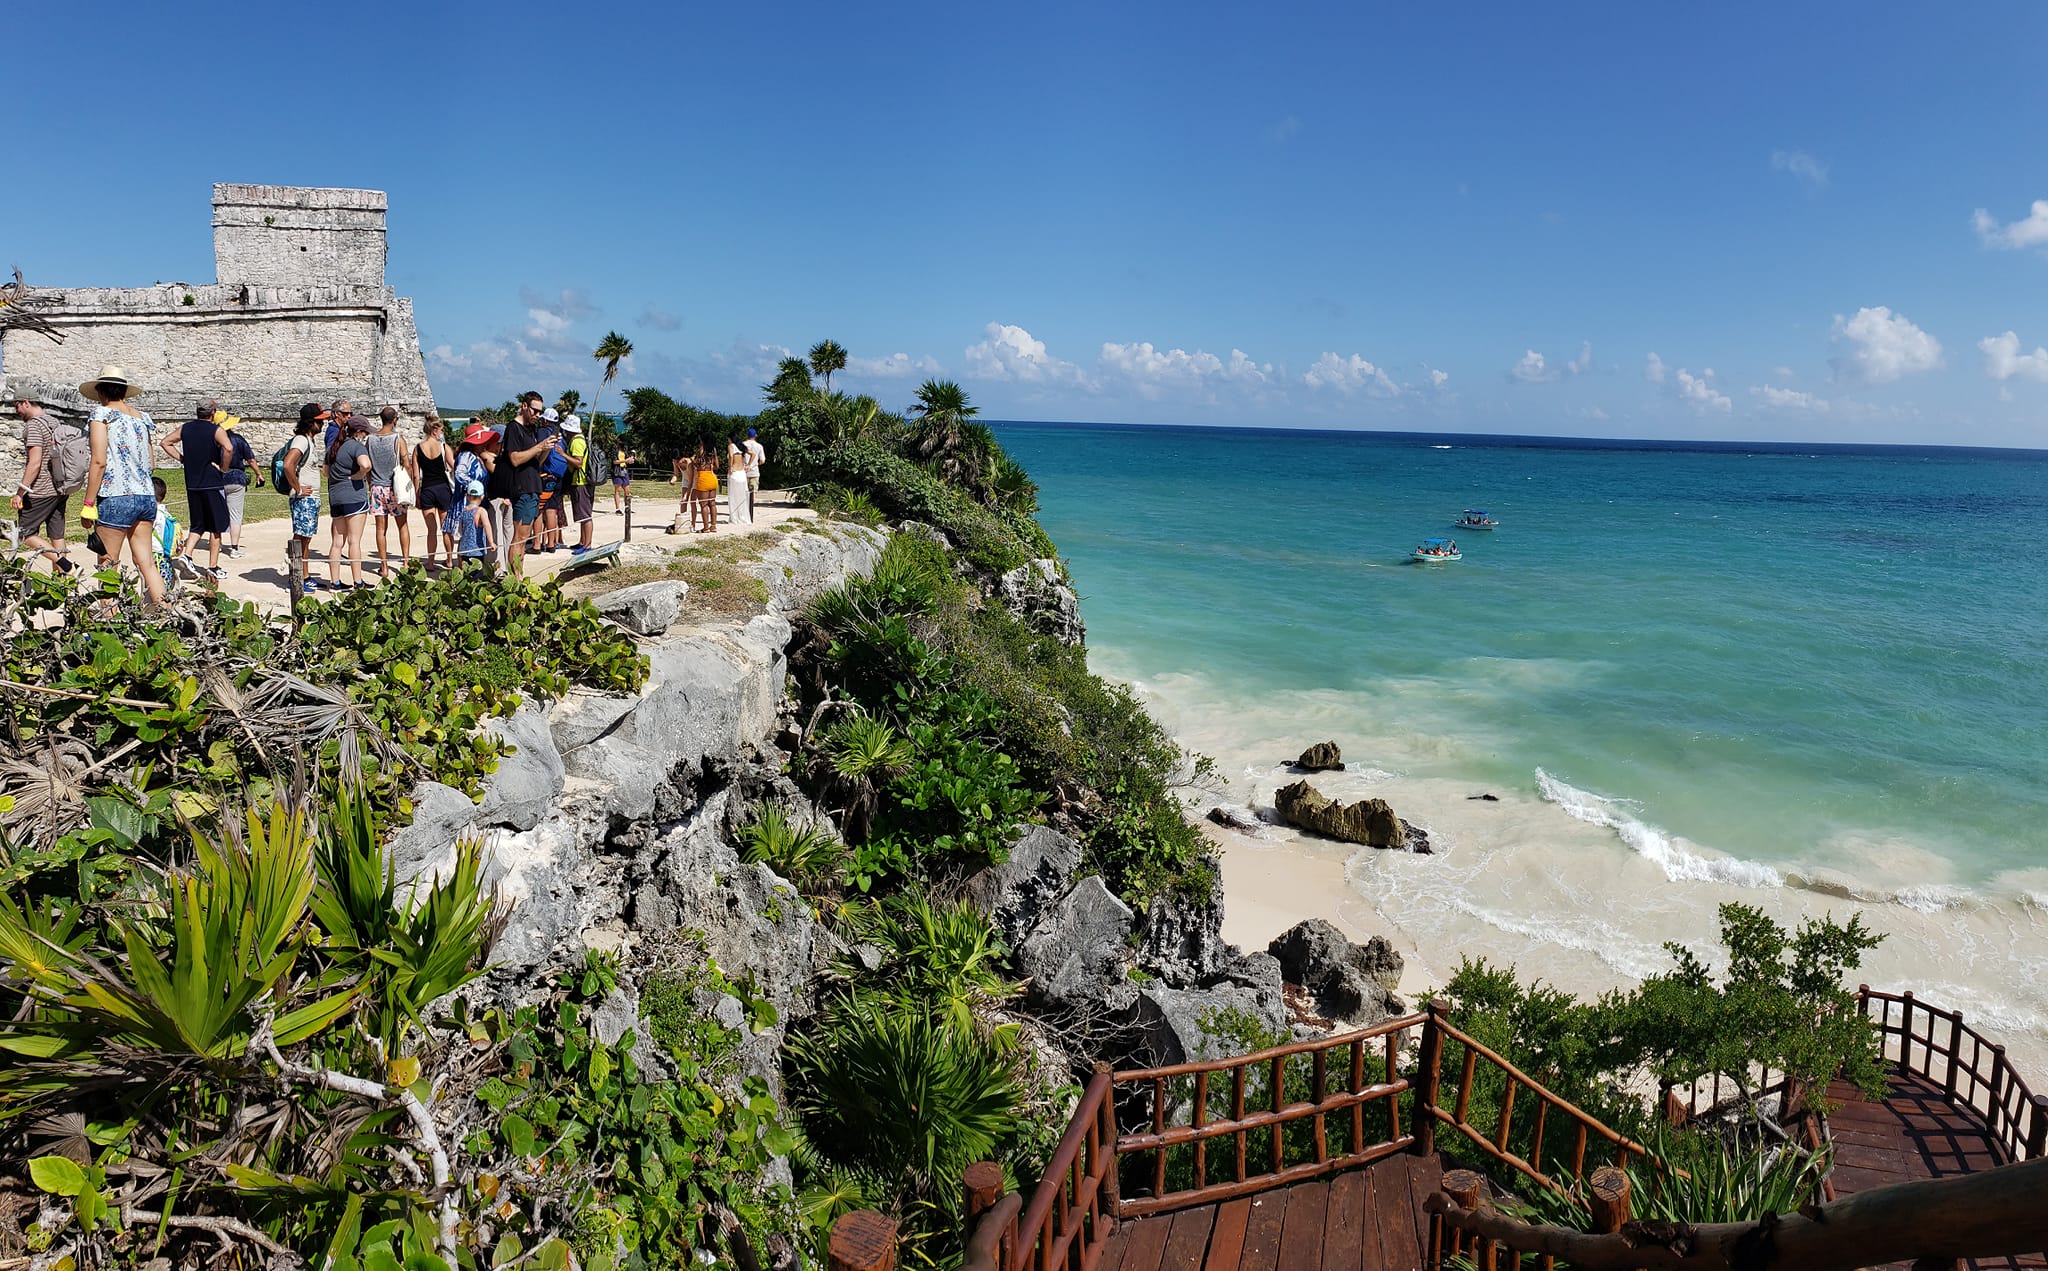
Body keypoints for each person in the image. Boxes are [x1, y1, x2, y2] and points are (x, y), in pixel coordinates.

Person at [75, 366, 167, 609]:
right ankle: (169, 613)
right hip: (145, 495)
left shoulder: (101, 415)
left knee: (108, 564)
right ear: (124, 391)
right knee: (146, 562)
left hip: (115, 495)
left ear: (100, 392)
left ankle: (111, 621)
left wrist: (88, 503)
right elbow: (151, 462)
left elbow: (99, 461)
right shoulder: (142, 418)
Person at [161, 400, 231, 580]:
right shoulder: (216, 430)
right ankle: (213, 567)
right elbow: (228, 448)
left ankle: (188, 554)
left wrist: (183, 459)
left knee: (198, 523)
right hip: (212, 482)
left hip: (192, 483)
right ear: (213, 413)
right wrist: (223, 467)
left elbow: (165, 442)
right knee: (216, 527)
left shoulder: (186, 428)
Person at [9, 399, 73, 575]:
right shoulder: (54, 422)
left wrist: (20, 492)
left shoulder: (34, 426)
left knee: (24, 534)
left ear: (26, 402)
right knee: (57, 537)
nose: (16, 411)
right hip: (59, 489)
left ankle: (66, 565)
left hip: (40, 491)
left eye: (17, 406)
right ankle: (63, 582)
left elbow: (35, 462)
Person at [494, 392, 552, 576]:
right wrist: (539, 447)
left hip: (533, 485)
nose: (537, 415)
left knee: (524, 537)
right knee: (519, 538)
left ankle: (518, 575)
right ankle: (515, 579)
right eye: (534, 410)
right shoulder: (513, 428)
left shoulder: (531, 429)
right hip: (522, 488)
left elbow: (536, 460)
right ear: (524, 406)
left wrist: (545, 449)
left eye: (539, 412)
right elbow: (515, 459)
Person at [283, 403, 327, 595]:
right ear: (311, 422)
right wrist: (298, 488)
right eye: (319, 421)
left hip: (310, 499)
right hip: (304, 499)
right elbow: (288, 465)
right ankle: (297, 577)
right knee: (301, 539)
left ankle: (305, 575)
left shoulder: (308, 440)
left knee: (306, 539)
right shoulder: (301, 441)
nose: (323, 424)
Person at [325, 415, 373, 589]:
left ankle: (335, 581)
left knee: (337, 542)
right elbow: (366, 465)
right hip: (354, 497)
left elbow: (325, 472)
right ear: (358, 432)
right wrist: (358, 476)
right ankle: (358, 581)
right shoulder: (356, 446)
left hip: (335, 497)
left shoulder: (333, 448)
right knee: (354, 541)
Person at [366, 405, 413, 578]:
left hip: (377, 487)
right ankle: (406, 562)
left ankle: (384, 566)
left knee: (380, 529)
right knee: (402, 525)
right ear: (395, 420)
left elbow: (368, 466)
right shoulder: (398, 439)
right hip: (395, 487)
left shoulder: (370, 439)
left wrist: (371, 484)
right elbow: (406, 463)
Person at [217, 410, 261, 560]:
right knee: (235, 515)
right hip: (237, 478)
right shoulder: (238, 439)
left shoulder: (214, 441)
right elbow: (251, 459)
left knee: (217, 513)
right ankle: (234, 548)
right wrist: (258, 474)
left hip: (218, 478)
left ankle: (216, 544)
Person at [413, 416, 454, 569]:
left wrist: (417, 494)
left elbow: (416, 475)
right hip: (443, 489)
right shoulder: (443, 447)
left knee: (431, 530)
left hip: (427, 489)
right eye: (441, 430)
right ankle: (449, 560)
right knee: (446, 528)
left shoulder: (418, 448)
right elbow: (454, 466)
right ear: (435, 431)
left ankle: (430, 562)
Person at [562, 415, 595, 553]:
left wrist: (562, 454)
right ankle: (583, 541)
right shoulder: (580, 439)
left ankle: (587, 545)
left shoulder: (576, 442)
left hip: (581, 481)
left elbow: (578, 462)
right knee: (582, 514)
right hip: (582, 481)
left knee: (585, 515)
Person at [452, 479, 495, 569]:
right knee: (477, 574)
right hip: (477, 550)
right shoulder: (481, 511)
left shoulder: (463, 510)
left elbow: (460, 531)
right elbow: (487, 525)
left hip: (464, 549)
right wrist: (491, 542)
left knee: (466, 573)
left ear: (467, 496)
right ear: (482, 496)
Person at [726, 437, 751, 528]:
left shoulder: (731, 446)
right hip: (742, 473)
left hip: (735, 472)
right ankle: (743, 516)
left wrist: (730, 467)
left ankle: (734, 518)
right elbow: (753, 454)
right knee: (742, 497)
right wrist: (748, 465)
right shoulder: (741, 448)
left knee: (733, 497)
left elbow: (731, 456)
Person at [743, 427, 767, 518]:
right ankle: (750, 511)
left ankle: (744, 509)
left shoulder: (742, 444)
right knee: (752, 492)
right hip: (754, 471)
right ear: (755, 436)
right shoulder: (759, 446)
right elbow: (763, 460)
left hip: (744, 470)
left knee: (744, 492)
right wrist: (756, 464)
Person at [610, 439, 633, 514]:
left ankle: (627, 507)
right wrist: (625, 460)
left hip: (624, 470)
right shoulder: (614, 450)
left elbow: (626, 459)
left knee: (627, 490)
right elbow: (614, 461)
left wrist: (630, 460)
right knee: (618, 490)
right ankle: (617, 509)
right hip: (617, 471)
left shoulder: (625, 450)